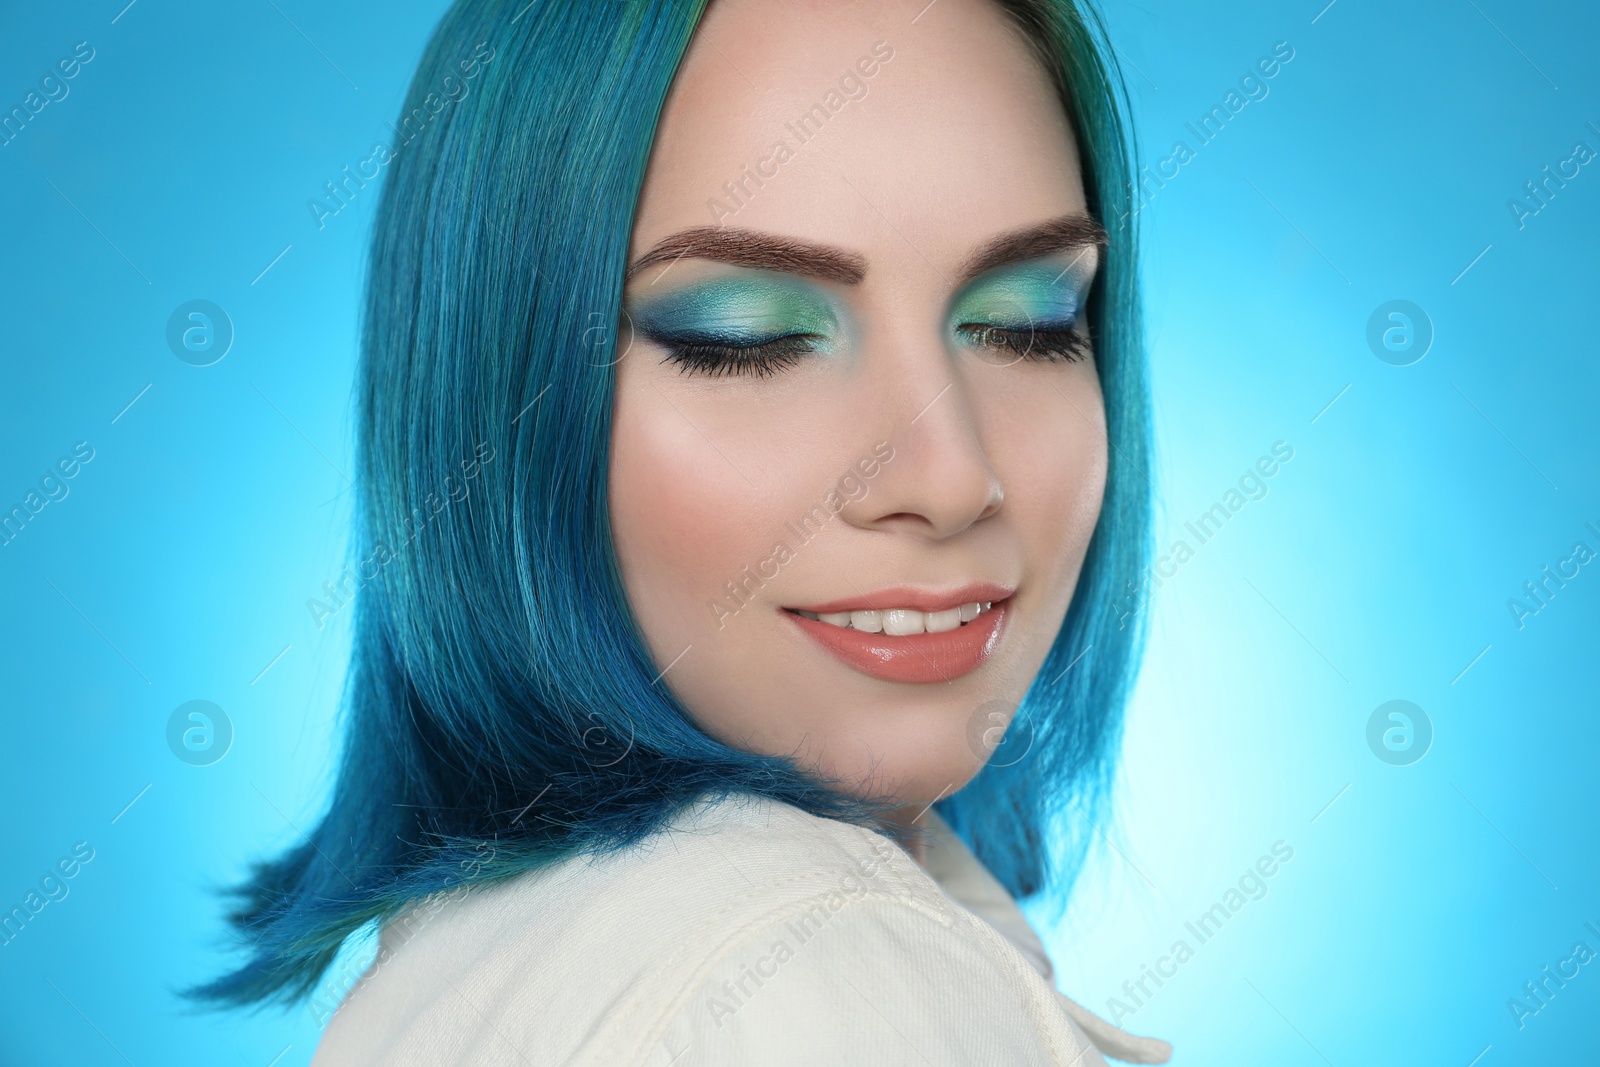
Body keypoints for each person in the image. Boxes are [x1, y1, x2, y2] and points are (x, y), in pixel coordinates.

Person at [197, 0, 1168, 1062]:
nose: (948, 478)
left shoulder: (503, 962)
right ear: (499, 393)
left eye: (1027, 322)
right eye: (746, 339)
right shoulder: (802, 979)